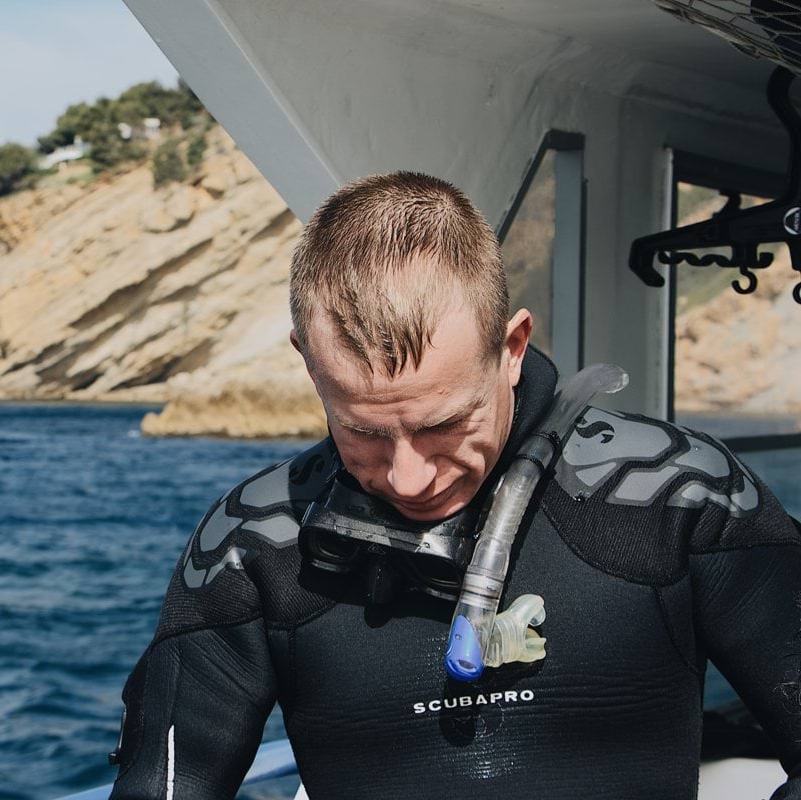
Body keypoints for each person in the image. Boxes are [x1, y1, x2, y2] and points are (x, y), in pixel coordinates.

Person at [107, 172, 801, 799]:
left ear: (514, 347)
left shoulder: (679, 494)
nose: (408, 477)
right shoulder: (251, 543)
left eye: (444, 425)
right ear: (307, 362)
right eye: (365, 432)